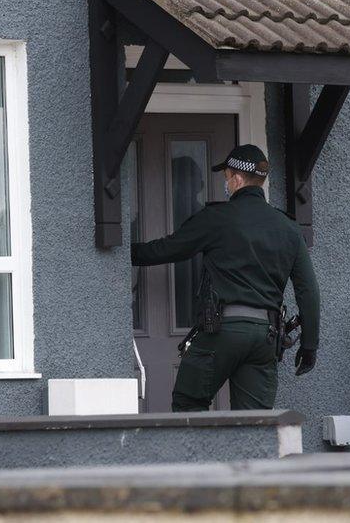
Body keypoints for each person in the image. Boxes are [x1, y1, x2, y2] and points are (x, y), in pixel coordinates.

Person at [131, 144, 320, 411]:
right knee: (254, 422)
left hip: (223, 331)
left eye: (227, 177)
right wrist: (310, 344)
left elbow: (168, 248)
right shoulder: (288, 228)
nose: (226, 183)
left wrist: (123, 254)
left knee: (188, 406)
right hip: (265, 337)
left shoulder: (217, 218)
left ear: (238, 178)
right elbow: (308, 290)